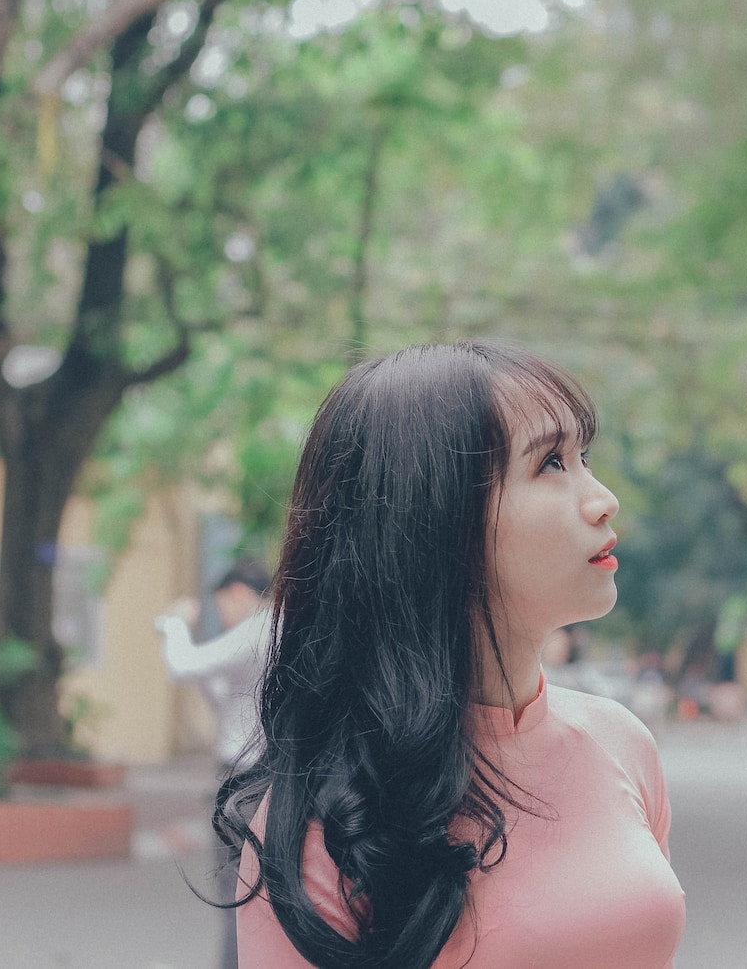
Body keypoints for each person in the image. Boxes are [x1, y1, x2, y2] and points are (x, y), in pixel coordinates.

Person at [213, 341, 686, 969]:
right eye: (550, 463)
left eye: (584, 456)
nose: (602, 499)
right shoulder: (331, 819)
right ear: (437, 520)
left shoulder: (622, 743)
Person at [155, 555, 273, 969]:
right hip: (260, 777)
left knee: (234, 893)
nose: (221, 614)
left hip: (244, 781)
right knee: (249, 896)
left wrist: (174, 625)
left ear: (239, 593)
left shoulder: (258, 628)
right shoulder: (276, 631)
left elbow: (183, 666)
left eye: (221, 603)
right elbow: (226, 702)